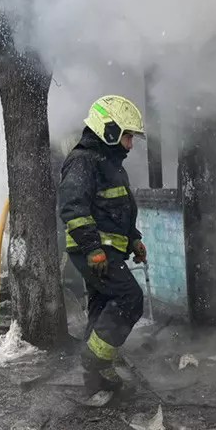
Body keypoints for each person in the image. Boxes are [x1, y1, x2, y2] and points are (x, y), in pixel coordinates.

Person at [58, 95, 147, 394]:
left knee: (100, 307)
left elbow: (120, 210)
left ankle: (95, 381)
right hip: (94, 251)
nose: (130, 145)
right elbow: (72, 207)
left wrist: (134, 239)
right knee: (130, 298)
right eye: (128, 136)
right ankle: (94, 359)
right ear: (109, 130)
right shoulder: (83, 160)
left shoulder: (110, 164)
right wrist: (93, 249)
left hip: (107, 249)